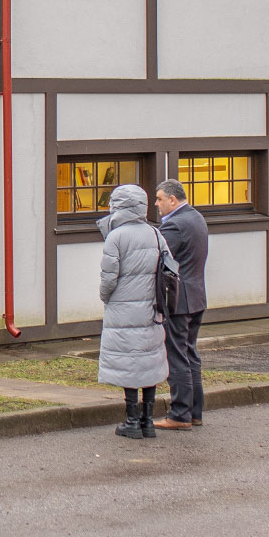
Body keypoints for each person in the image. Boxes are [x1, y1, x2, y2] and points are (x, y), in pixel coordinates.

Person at [97, 183, 170, 439]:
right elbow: (169, 268)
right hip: (151, 308)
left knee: (129, 363)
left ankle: (131, 420)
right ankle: (148, 421)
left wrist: (106, 298)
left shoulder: (116, 236)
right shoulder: (155, 234)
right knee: (149, 361)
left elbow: (108, 278)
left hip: (123, 309)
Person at [152, 179, 210, 431]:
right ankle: (194, 412)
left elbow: (157, 255)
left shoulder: (175, 225)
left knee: (177, 356)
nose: (156, 204)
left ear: (172, 200)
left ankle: (179, 414)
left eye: (159, 199)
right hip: (196, 295)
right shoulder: (195, 217)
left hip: (179, 300)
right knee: (190, 354)